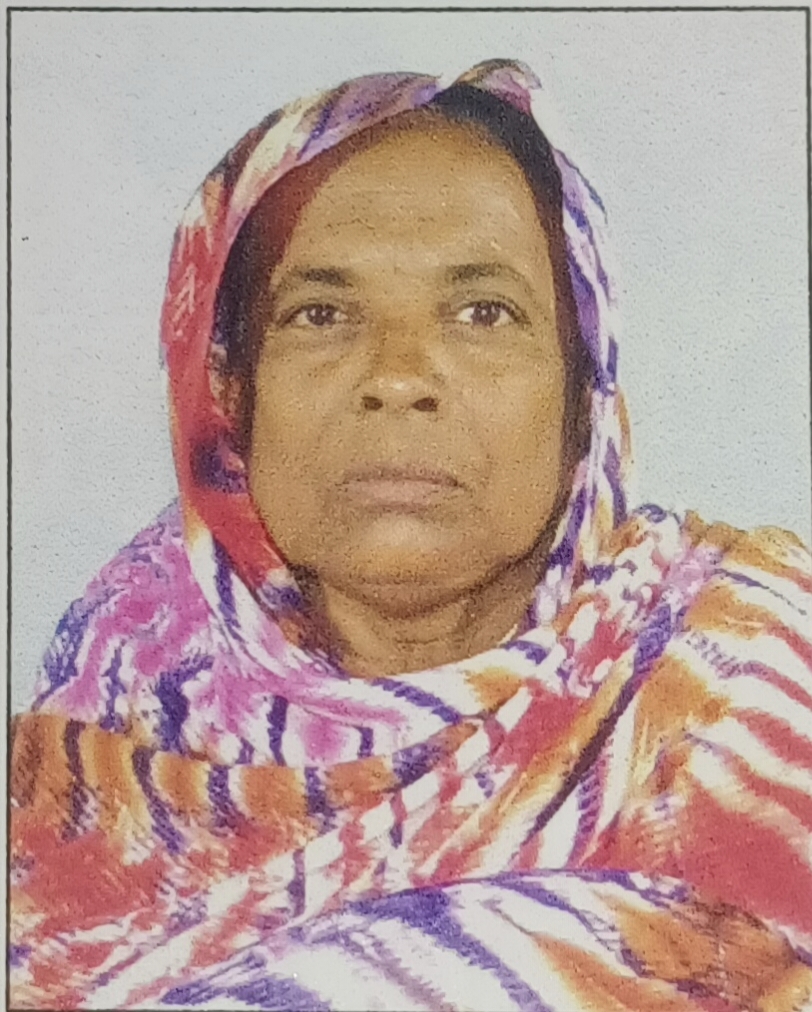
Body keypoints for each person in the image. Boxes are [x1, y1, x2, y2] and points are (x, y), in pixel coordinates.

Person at [9, 60, 812, 1011]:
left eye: (483, 313)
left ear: (582, 394)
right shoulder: (114, 713)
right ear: (228, 395)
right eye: (321, 314)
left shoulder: (752, 677)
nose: (398, 375)